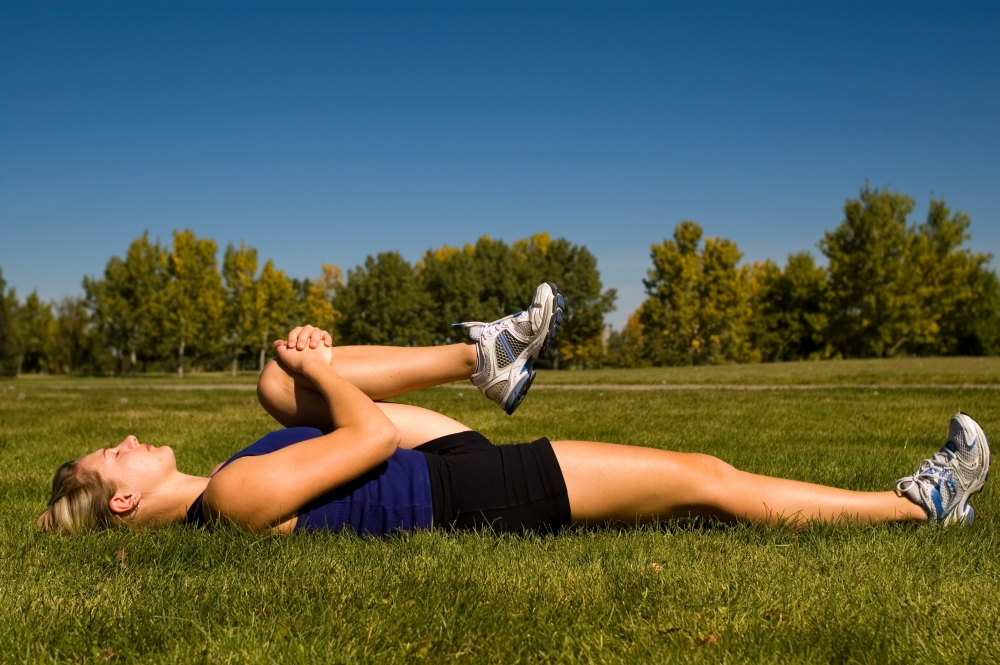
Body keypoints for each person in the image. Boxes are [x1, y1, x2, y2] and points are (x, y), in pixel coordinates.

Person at [37, 283, 991, 536]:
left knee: (271, 382)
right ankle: (921, 504)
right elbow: (364, 432)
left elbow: (349, 431)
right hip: (468, 495)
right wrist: (322, 370)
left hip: (433, 468)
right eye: (110, 455)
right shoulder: (233, 494)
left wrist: (299, 369)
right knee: (711, 484)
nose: (127, 438)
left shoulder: (230, 484)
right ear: (121, 499)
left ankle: (480, 356)